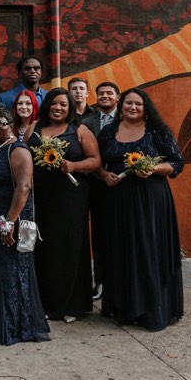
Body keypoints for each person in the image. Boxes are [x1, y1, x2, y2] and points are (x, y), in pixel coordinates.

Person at [95, 88, 185, 332]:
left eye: (137, 104)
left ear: (146, 108)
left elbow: (177, 163)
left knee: (147, 250)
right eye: (127, 103)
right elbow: (96, 162)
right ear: (120, 105)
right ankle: (124, 307)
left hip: (150, 201)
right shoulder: (108, 132)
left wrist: (153, 169)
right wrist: (103, 174)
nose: (132, 107)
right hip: (116, 200)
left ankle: (151, 310)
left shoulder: (158, 131)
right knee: (121, 250)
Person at [24, 88, 99, 323]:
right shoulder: (33, 128)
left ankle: (72, 305)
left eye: (63, 105)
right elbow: (22, 156)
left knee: (69, 246)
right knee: (43, 247)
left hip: (70, 198)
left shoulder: (80, 131)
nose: (58, 108)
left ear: (70, 108)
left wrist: (74, 166)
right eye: (54, 103)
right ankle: (44, 302)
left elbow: (96, 160)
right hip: (41, 198)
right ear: (47, 105)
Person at [0, 107, 50, 346]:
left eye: (0, 122)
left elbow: (24, 187)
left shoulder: (17, 150)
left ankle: (15, 325)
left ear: (11, 126)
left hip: (9, 218)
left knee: (11, 270)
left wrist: (8, 223)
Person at [80, 81, 120, 300]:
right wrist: (102, 174)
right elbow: (87, 156)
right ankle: (101, 281)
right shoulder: (87, 122)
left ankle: (121, 280)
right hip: (96, 185)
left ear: (117, 96)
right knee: (99, 234)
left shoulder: (126, 119)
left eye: (109, 93)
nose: (105, 96)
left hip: (124, 185)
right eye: (101, 93)